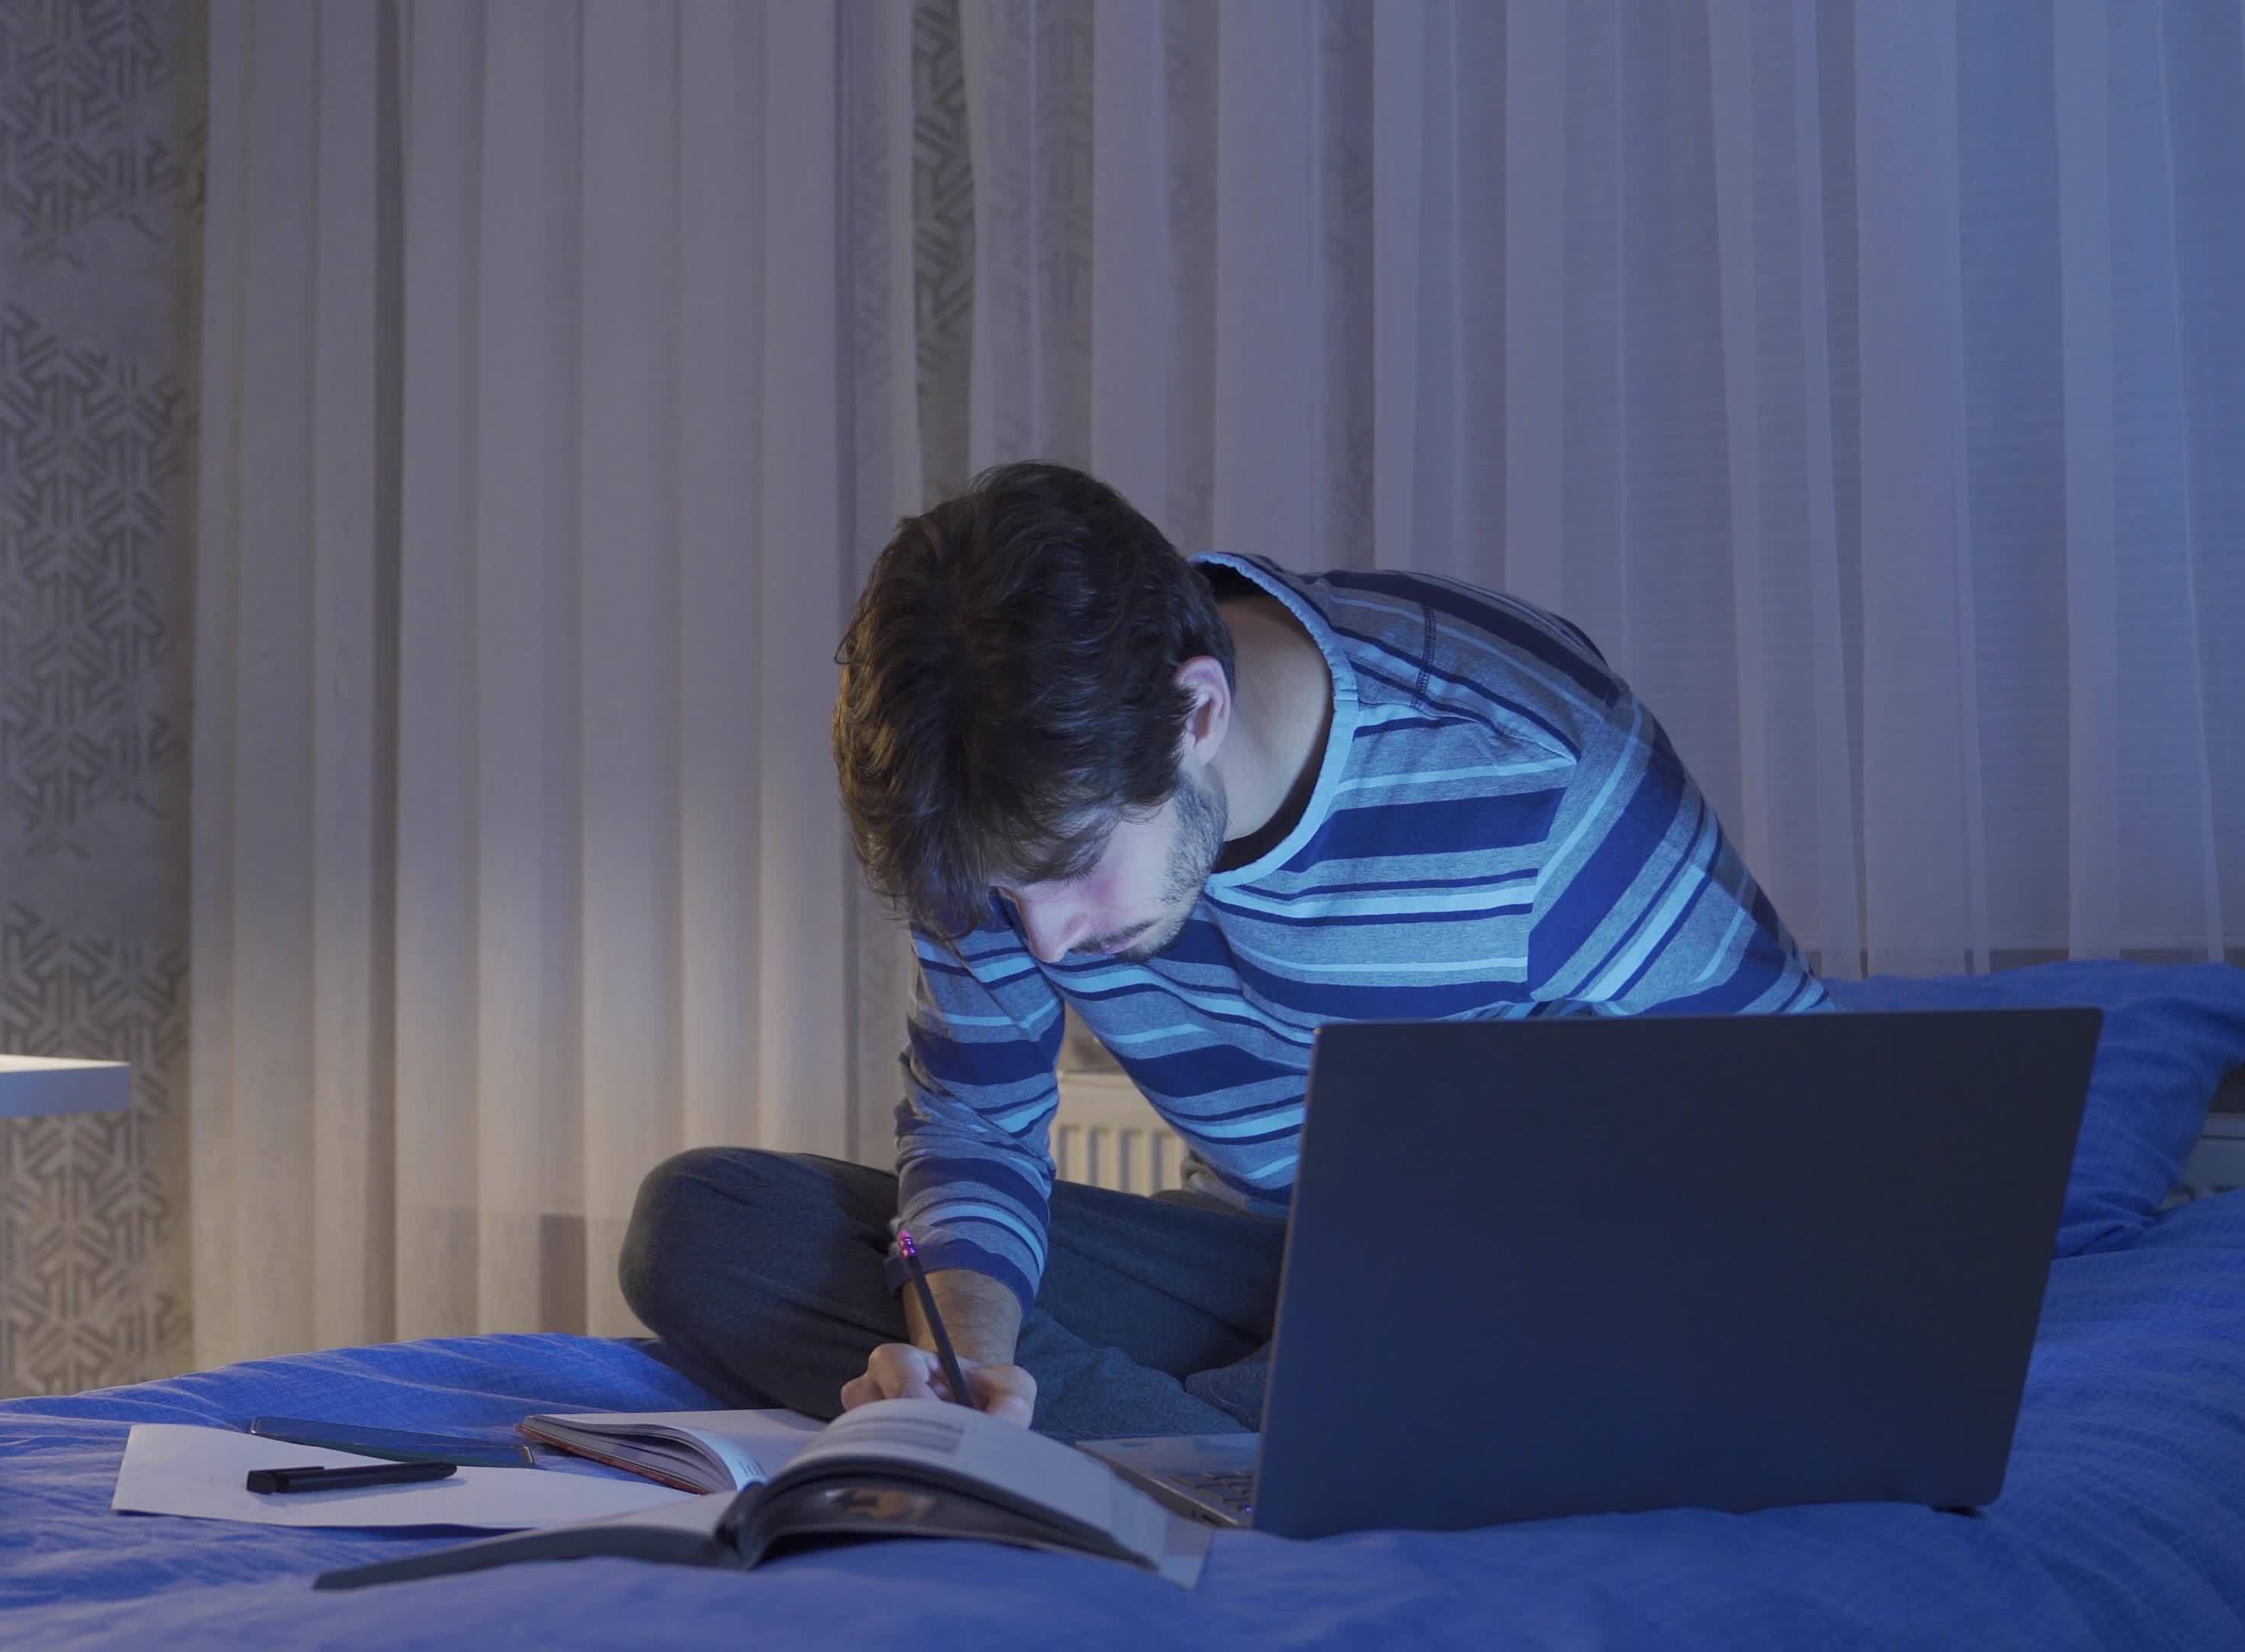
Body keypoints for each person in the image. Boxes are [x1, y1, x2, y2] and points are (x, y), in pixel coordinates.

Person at [621, 462, 1826, 1440]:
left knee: (1427, 1315)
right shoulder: (995, 794)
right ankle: (1188, 1450)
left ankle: (1205, 1445)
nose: (1045, 937)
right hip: (1262, 1261)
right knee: (706, 1224)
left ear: (1198, 714)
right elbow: (976, 1128)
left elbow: (1796, 1135)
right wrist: (965, 1354)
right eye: (1005, 893)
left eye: (1068, 872)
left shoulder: (1532, 767)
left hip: (1517, 1279)